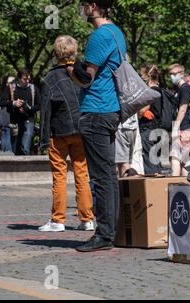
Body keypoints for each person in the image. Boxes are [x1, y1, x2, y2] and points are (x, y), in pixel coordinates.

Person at [67, 0, 124, 252]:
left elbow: (86, 79)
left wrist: (71, 71)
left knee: (100, 177)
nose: (81, 9)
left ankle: (104, 235)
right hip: (110, 109)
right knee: (109, 175)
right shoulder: (116, 32)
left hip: (96, 110)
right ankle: (111, 230)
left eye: (83, 4)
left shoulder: (99, 35)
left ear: (92, 5)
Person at [38, 35, 95, 233]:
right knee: (82, 173)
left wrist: (43, 138)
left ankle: (58, 220)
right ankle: (87, 219)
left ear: (56, 53)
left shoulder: (50, 78)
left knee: (59, 176)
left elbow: (45, 111)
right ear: (74, 52)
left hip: (58, 131)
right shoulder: (84, 74)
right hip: (81, 129)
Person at [0, 69, 40, 155]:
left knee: (25, 147)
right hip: (15, 122)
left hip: (29, 120)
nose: (27, 81)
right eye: (25, 79)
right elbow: (1, 102)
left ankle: (26, 165)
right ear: (18, 78)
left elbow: (39, 105)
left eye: (29, 79)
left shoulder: (33, 89)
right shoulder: (10, 88)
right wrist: (13, 103)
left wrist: (29, 108)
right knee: (15, 149)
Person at [169, 63, 190, 176]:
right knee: (185, 162)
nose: (171, 77)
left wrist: (175, 128)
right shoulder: (186, 89)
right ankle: (185, 189)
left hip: (183, 129)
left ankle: (174, 185)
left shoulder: (184, 89)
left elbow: (183, 109)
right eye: (170, 74)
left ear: (181, 74)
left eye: (173, 74)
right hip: (188, 130)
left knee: (175, 158)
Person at [138, 64, 163, 175]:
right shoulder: (162, 91)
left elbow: (142, 111)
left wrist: (138, 114)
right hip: (160, 130)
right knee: (157, 162)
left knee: (149, 161)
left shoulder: (149, 92)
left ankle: (152, 189)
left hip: (148, 130)